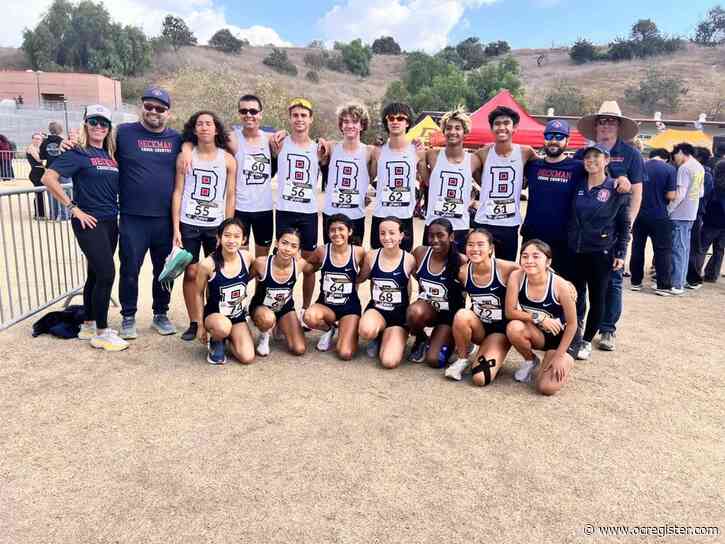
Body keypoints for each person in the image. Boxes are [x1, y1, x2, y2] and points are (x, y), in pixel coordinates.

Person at [41, 105, 127, 351]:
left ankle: (89, 322)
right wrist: (73, 208)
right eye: (93, 122)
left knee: (95, 274)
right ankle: (101, 332)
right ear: (85, 125)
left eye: (103, 123)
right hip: (88, 222)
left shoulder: (111, 154)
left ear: (109, 128)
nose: (98, 126)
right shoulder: (78, 152)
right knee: (107, 273)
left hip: (111, 221)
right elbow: (49, 178)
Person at [575, 101, 644, 351]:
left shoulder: (631, 154)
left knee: (612, 283)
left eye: (611, 121)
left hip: (614, 229)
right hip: (585, 233)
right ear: (595, 126)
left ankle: (607, 329)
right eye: (601, 121)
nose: (605, 125)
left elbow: (637, 193)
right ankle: (579, 325)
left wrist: (628, 228)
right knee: (579, 283)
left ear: (619, 126)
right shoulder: (582, 153)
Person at [116, 87, 183, 339]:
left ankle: (160, 314)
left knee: (165, 270)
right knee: (130, 269)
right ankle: (128, 316)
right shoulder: (123, 134)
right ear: (141, 107)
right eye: (149, 107)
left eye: (160, 108)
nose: (154, 112)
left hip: (165, 219)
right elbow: (96, 146)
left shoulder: (177, 139)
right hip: (133, 217)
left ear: (168, 112)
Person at [172, 111, 237, 341]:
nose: (204, 127)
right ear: (194, 129)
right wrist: (176, 228)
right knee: (190, 272)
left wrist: (227, 229)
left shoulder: (227, 159)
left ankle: (215, 316)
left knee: (215, 273)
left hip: (215, 225)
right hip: (189, 223)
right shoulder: (185, 157)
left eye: (209, 124)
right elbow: (178, 192)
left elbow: (230, 196)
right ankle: (195, 321)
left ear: (216, 129)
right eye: (199, 124)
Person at [567, 144, 630, 360]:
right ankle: (574, 335)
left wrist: (621, 253)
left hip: (601, 252)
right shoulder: (577, 184)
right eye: (587, 156)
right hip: (575, 250)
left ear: (607, 160)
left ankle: (586, 341)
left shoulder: (616, 187)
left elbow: (624, 224)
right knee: (575, 296)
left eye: (597, 156)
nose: (591, 160)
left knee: (598, 296)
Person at [505, 239, 578, 396]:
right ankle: (531, 360)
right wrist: (539, 317)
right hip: (539, 333)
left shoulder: (560, 285)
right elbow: (510, 312)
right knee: (514, 327)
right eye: (524, 256)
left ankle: (556, 357)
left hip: (562, 337)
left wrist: (559, 356)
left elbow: (573, 324)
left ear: (548, 262)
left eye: (536, 256)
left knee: (546, 388)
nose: (529, 261)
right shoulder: (517, 277)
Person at [445, 229, 518, 384]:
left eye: (480, 244)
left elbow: (534, 270)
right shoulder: (463, 272)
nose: (475, 249)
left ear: (490, 248)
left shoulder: (505, 268)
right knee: (462, 315)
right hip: (479, 326)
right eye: (470, 244)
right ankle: (462, 358)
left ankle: (489, 350)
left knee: (480, 378)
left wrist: (561, 282)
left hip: (499, 332)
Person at [275, 98, 323, 322]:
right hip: (285, 210)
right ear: (290, 118)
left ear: (311, 119)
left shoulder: (319, 148)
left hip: (308, 213)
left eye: (304, 115)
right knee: (281, 259)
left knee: (309, 263)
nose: (299, 119)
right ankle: (277, 307)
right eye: (295, 115)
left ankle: (304, 309)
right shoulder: (279, 143)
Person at [472, 106, 537, 261]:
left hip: (509, 222)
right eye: (497, 123)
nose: (501, 127)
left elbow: (539, 169)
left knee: (506, 267)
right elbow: (468, 171)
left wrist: (525, 182)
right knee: (479, 263)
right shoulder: (483, 153)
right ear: (491, 128)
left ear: (514, 128)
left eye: (506, 123)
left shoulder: (525, 152)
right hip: (484, 220)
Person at [302, 214, 366, 360]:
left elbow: (365, 273)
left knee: (345, 353)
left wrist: (355, 282)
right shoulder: (322, 251)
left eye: (341, 229)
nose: (336, 233)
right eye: (332, 230)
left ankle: (346, 329)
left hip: (349, 308)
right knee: (309, 317)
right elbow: (307, 269)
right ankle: (329, 328)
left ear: (349, 232)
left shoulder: (358, 252)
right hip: (326, 306)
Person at [193, 218, 255, 365]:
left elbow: (252, 275)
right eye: (227, 235)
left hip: (237, 316)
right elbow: (198, 293)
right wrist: (200, 325)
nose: (231, 240)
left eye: (236, 236)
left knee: (247, 358)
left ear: (244, 239)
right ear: (219, 237)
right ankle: (216, 340)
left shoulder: (247, 257)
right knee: (223, 327)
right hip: (216, 317)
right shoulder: (207, 264)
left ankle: (230, 337)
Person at [407, 218, 466, 367]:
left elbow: (469, 293)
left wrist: (461, 328)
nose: (434, 240)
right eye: (431, 235)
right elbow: (414, 274)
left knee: (434, 360)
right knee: (414, 311)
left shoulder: (461, 261)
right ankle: (421, 339)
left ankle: (457, 340)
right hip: (428, 309)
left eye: (440, 235)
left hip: (448, 316)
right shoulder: (420, 253)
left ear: (451, 237)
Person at [358, 217, 416, 369]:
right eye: (382, 233)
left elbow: (423, 283)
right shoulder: (371, 256)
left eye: (392, 233)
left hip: (398, 315)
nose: (387, 237)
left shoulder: (409, 259)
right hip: (377, 309)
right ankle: (377, 335)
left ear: (401, 236)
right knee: (365, 330)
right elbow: (360, 278)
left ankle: (390, 336)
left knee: (389, 362)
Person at [422, 107, 481, 253]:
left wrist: (474, 201)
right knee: (430, 267)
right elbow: (427, 180)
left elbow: (485, 185)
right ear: (443, 131)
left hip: (459, 226)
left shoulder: (474, 159)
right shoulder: (432, 155)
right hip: (434, 223)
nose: (453, 132)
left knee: (457, 268)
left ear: (465, 132)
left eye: (457, 128)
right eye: (448, 128)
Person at [370, 102, 426, 253]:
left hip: (404, 217)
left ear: (407, 123)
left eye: (400, 118)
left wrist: (422, 160)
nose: (395, 121)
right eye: (391, 118)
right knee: (377, 265)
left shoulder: (416, 149)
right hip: (381, 215)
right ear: (386, 122)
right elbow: (369, 178)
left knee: (404, 267)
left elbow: (426, 179)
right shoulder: (378, 150)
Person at [249, 228, 313, 357]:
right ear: (277, 243)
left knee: (299, 349)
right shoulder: (261, 263)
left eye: (294, 246)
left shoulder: (300, 264)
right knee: (268, 319)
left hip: (285, 308)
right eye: (284, 243)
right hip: (262, 308)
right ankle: (264, 334)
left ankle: (279, 324)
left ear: (298, 250)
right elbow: (242, 280)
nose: (288, 249)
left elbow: (313, 270)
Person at [231, 94, 276, 257]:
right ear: (239, 114)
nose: (248, 115)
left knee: (262, 261)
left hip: (264, 209)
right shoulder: (231, 139)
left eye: (253, 111)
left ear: (260, 114)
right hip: (240, 209)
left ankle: (260, 284)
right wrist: (186, 149)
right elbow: (199, 139)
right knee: (239, 260)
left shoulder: (271, 139)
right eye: (244, 111)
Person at [629, 148, 676, 294]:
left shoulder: (639, 166)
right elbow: (671, 195)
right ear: (666, 158)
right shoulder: (669, 169)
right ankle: (663, 286)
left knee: (637, 248)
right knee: (663, 251)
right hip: (659, 215)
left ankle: (635, 282)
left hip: (639, 214)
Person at [668, 143, 705, 295]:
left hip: (680, 214)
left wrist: (669, 209)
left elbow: (680, 194)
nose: (674, 159)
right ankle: (680, 281)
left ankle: (677, 284)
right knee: (684, 249)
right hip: (691, 212)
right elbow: (701, 192)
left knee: (678, 249)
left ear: (682, 152)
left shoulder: (684, 168)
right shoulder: (699, 167)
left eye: (675, 155)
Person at [686, 146, 715, 289]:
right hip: (697, 213)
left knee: (692, 247)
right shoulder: (707, 174)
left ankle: (692, 277)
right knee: (693, 246)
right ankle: (692, 277)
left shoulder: (700, 173)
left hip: (693, 213)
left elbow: (697, 194)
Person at [698, 159, 725, 282]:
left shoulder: (714, 184)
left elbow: (706, 200)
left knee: (702, 247)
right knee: (719, 250)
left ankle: (695, 272)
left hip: (711, 220)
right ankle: (712, 275)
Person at [40, 122, 70, 220]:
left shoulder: (44, 142)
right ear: (60, 130)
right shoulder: (63, 141)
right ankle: (65, 215)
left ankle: (54, 215)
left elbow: (42, 156)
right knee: (65, 192)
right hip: (63, 170)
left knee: (52, 193)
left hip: (50, 169)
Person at [26, 133, 46, 219]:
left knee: (40, 194)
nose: (37, 140)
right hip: (36, 174)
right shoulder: (31, 148)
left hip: (41, 173)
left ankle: (41, 213)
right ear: (32, 139)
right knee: (39, 194)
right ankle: (39, 214)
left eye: (39, 139)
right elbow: (39, 159)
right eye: (35, 138)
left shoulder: (39, 148)